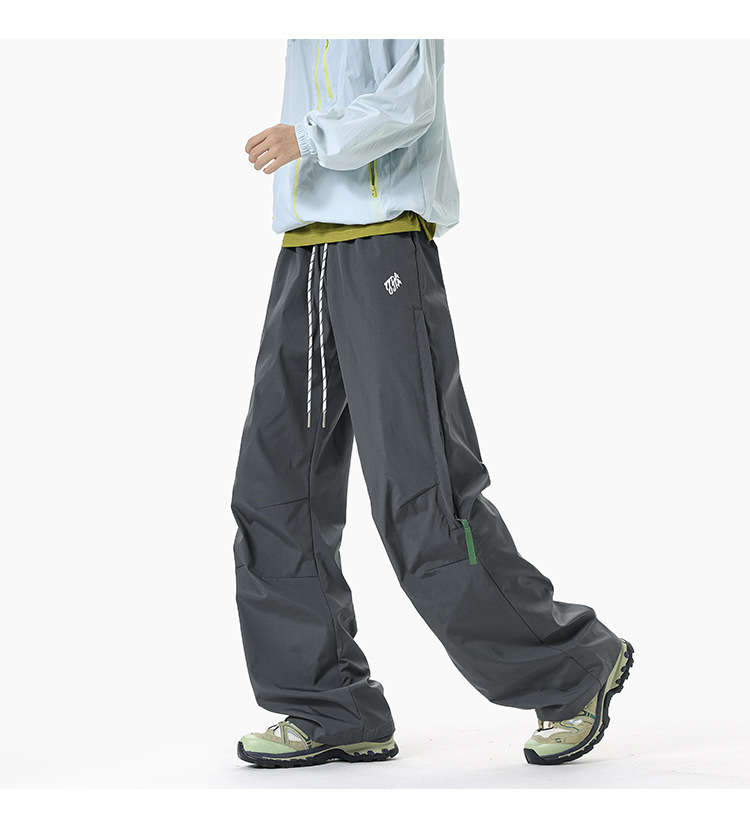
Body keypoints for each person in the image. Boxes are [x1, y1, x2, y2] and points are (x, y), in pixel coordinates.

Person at [230, 38, 633, 769]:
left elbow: (410, 99)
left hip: (384, 246)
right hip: (305, 250)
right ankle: (332, 708)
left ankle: (572, 669)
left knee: (422, 497)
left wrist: (309, 138)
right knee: (273, 491)